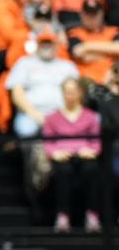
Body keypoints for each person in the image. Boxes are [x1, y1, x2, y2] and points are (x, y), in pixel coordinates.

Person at [42, 76, 102, 233]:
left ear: (80, 93)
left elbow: (97, 141)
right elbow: (47, 142)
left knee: (92, 170)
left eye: (73, 91)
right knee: (63, 171)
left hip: (85, 154)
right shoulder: (52, 117)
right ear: (62, 93)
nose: (70, 95)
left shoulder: (91, 116)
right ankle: (63, 216)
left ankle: (92, 215)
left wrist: (92, 151)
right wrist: (54, 153)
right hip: (62, 156)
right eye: (67, 92)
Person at [8, 28, 81, 138]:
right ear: (37, 44)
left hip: (62, 112)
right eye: (43, 43)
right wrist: (33, 113)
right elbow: (16, 93)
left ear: (56, 45)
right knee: (26, 129)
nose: (46, 46)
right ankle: (33, 155)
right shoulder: (24, 63)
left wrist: (67, 114)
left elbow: (77, 93)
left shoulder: (68, 66)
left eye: (49, 43)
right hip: (31, 113)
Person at [68, 0, 119, 83]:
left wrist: (86, 46)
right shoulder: (74, 33)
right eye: (88, 14)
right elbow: (78, 52)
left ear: (102, 14)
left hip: (111, 82)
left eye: (94, 14)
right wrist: (110, 52)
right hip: (86, 82)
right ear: (81, 14)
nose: (91, 18)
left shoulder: (113, 31)